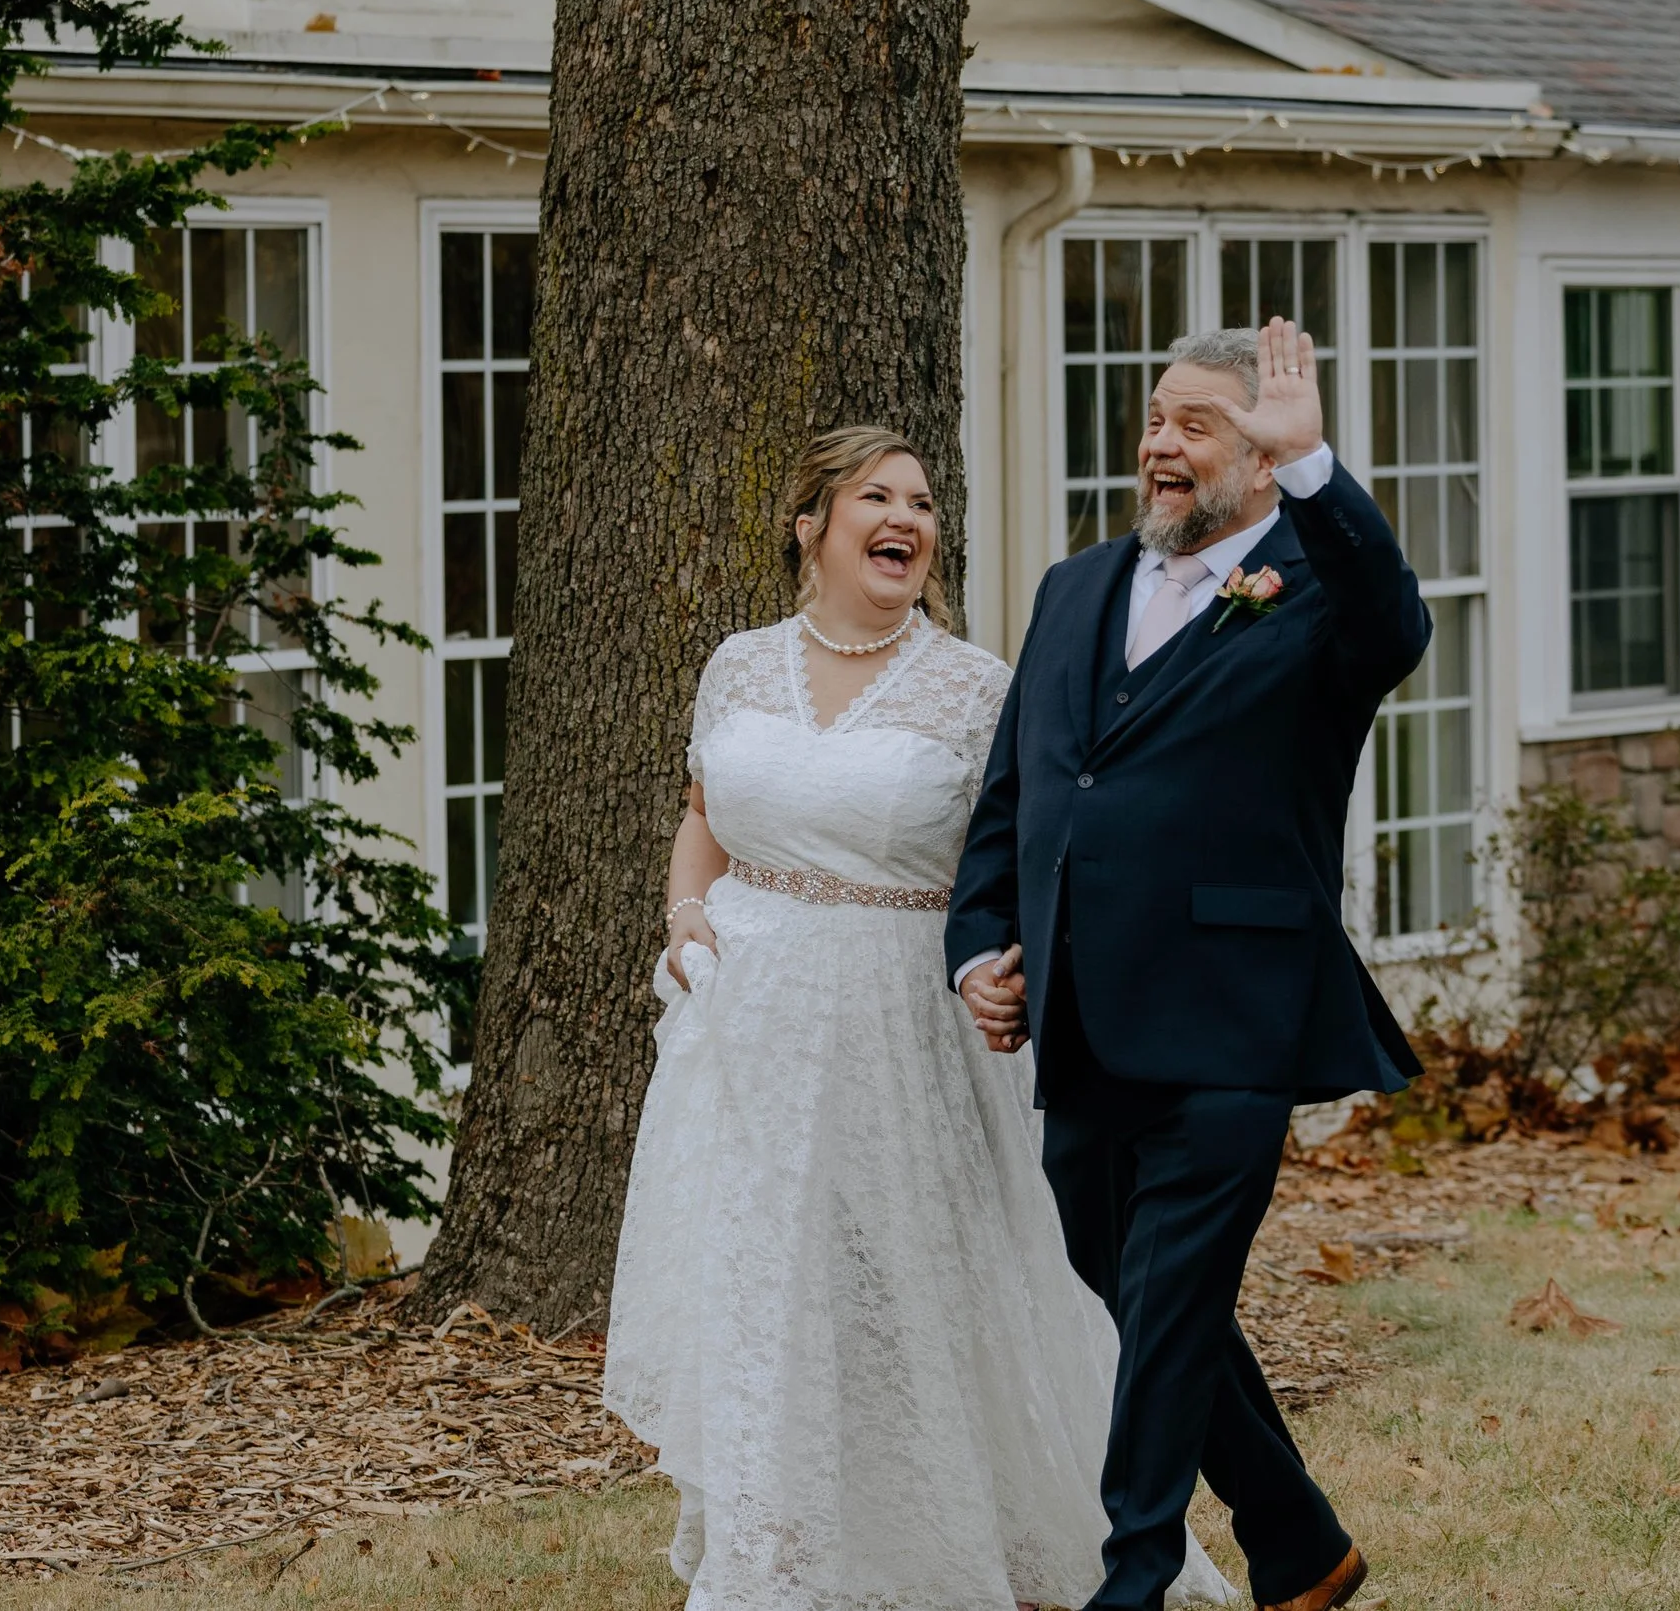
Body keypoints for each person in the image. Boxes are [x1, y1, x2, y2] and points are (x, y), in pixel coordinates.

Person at [604, 426, 1236, 1611]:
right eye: (877, 497)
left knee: (925, 1286)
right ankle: (770, 1553)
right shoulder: (737, 664)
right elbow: (703, 815)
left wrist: (1015, 968)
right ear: (812, 525)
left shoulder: (973, 684)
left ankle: (954, 1530)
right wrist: (686, 915)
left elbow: (1023, 851)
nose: (908, 518)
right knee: (757, 1284)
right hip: (742, 1031)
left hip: (902, 1023)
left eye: (924, 502)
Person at [946, 319, 1432, 1611]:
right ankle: (1299, 1538)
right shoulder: (1075, 587)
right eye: (1155, 419)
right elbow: (1019, 794)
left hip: (1231, 1015)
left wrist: (1319, 464)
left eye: (1197, 426)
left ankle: (1136, 1574)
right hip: (1080, 1017)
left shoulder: (1319, 591)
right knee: (1144, 1295)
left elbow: (1397, 625)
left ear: (1261, 459)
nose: (1160, 444)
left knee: (1168, 1307)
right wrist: (978, 948)